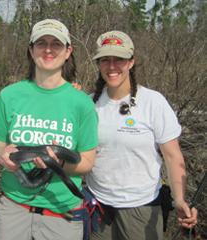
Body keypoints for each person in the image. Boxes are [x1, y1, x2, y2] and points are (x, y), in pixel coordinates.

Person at [0, 19, 98, 240]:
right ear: (31, 50)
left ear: (68, 52)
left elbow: (87, 162)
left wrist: (59, 164)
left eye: (56, 44)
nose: (48, 49)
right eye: (41, 43)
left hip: (61, 214)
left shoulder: (82, 103)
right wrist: (2, 155)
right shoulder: (9, 95)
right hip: (13, 208)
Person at [85, 30, 198, 240]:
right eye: (105, 60)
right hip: (97, 207)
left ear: (131, 62)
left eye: (119, 59)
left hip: (141, 209)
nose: (112, 67)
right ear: (98, 64)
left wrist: (179, 200)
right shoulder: (88, 103)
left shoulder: (153, 102)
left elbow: (173, 156)